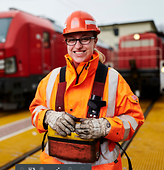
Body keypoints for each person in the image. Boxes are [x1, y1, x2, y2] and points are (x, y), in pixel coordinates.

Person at [29, 10, 144, 170]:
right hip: (55, 165)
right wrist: (48, 116)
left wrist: (106, 127)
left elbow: (134, 119)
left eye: (84, 39)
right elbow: (36, 110)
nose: (77, 46)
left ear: (94, 41)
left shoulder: (113, 79)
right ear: (66, 42)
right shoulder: (52, 78)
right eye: (71, 40)